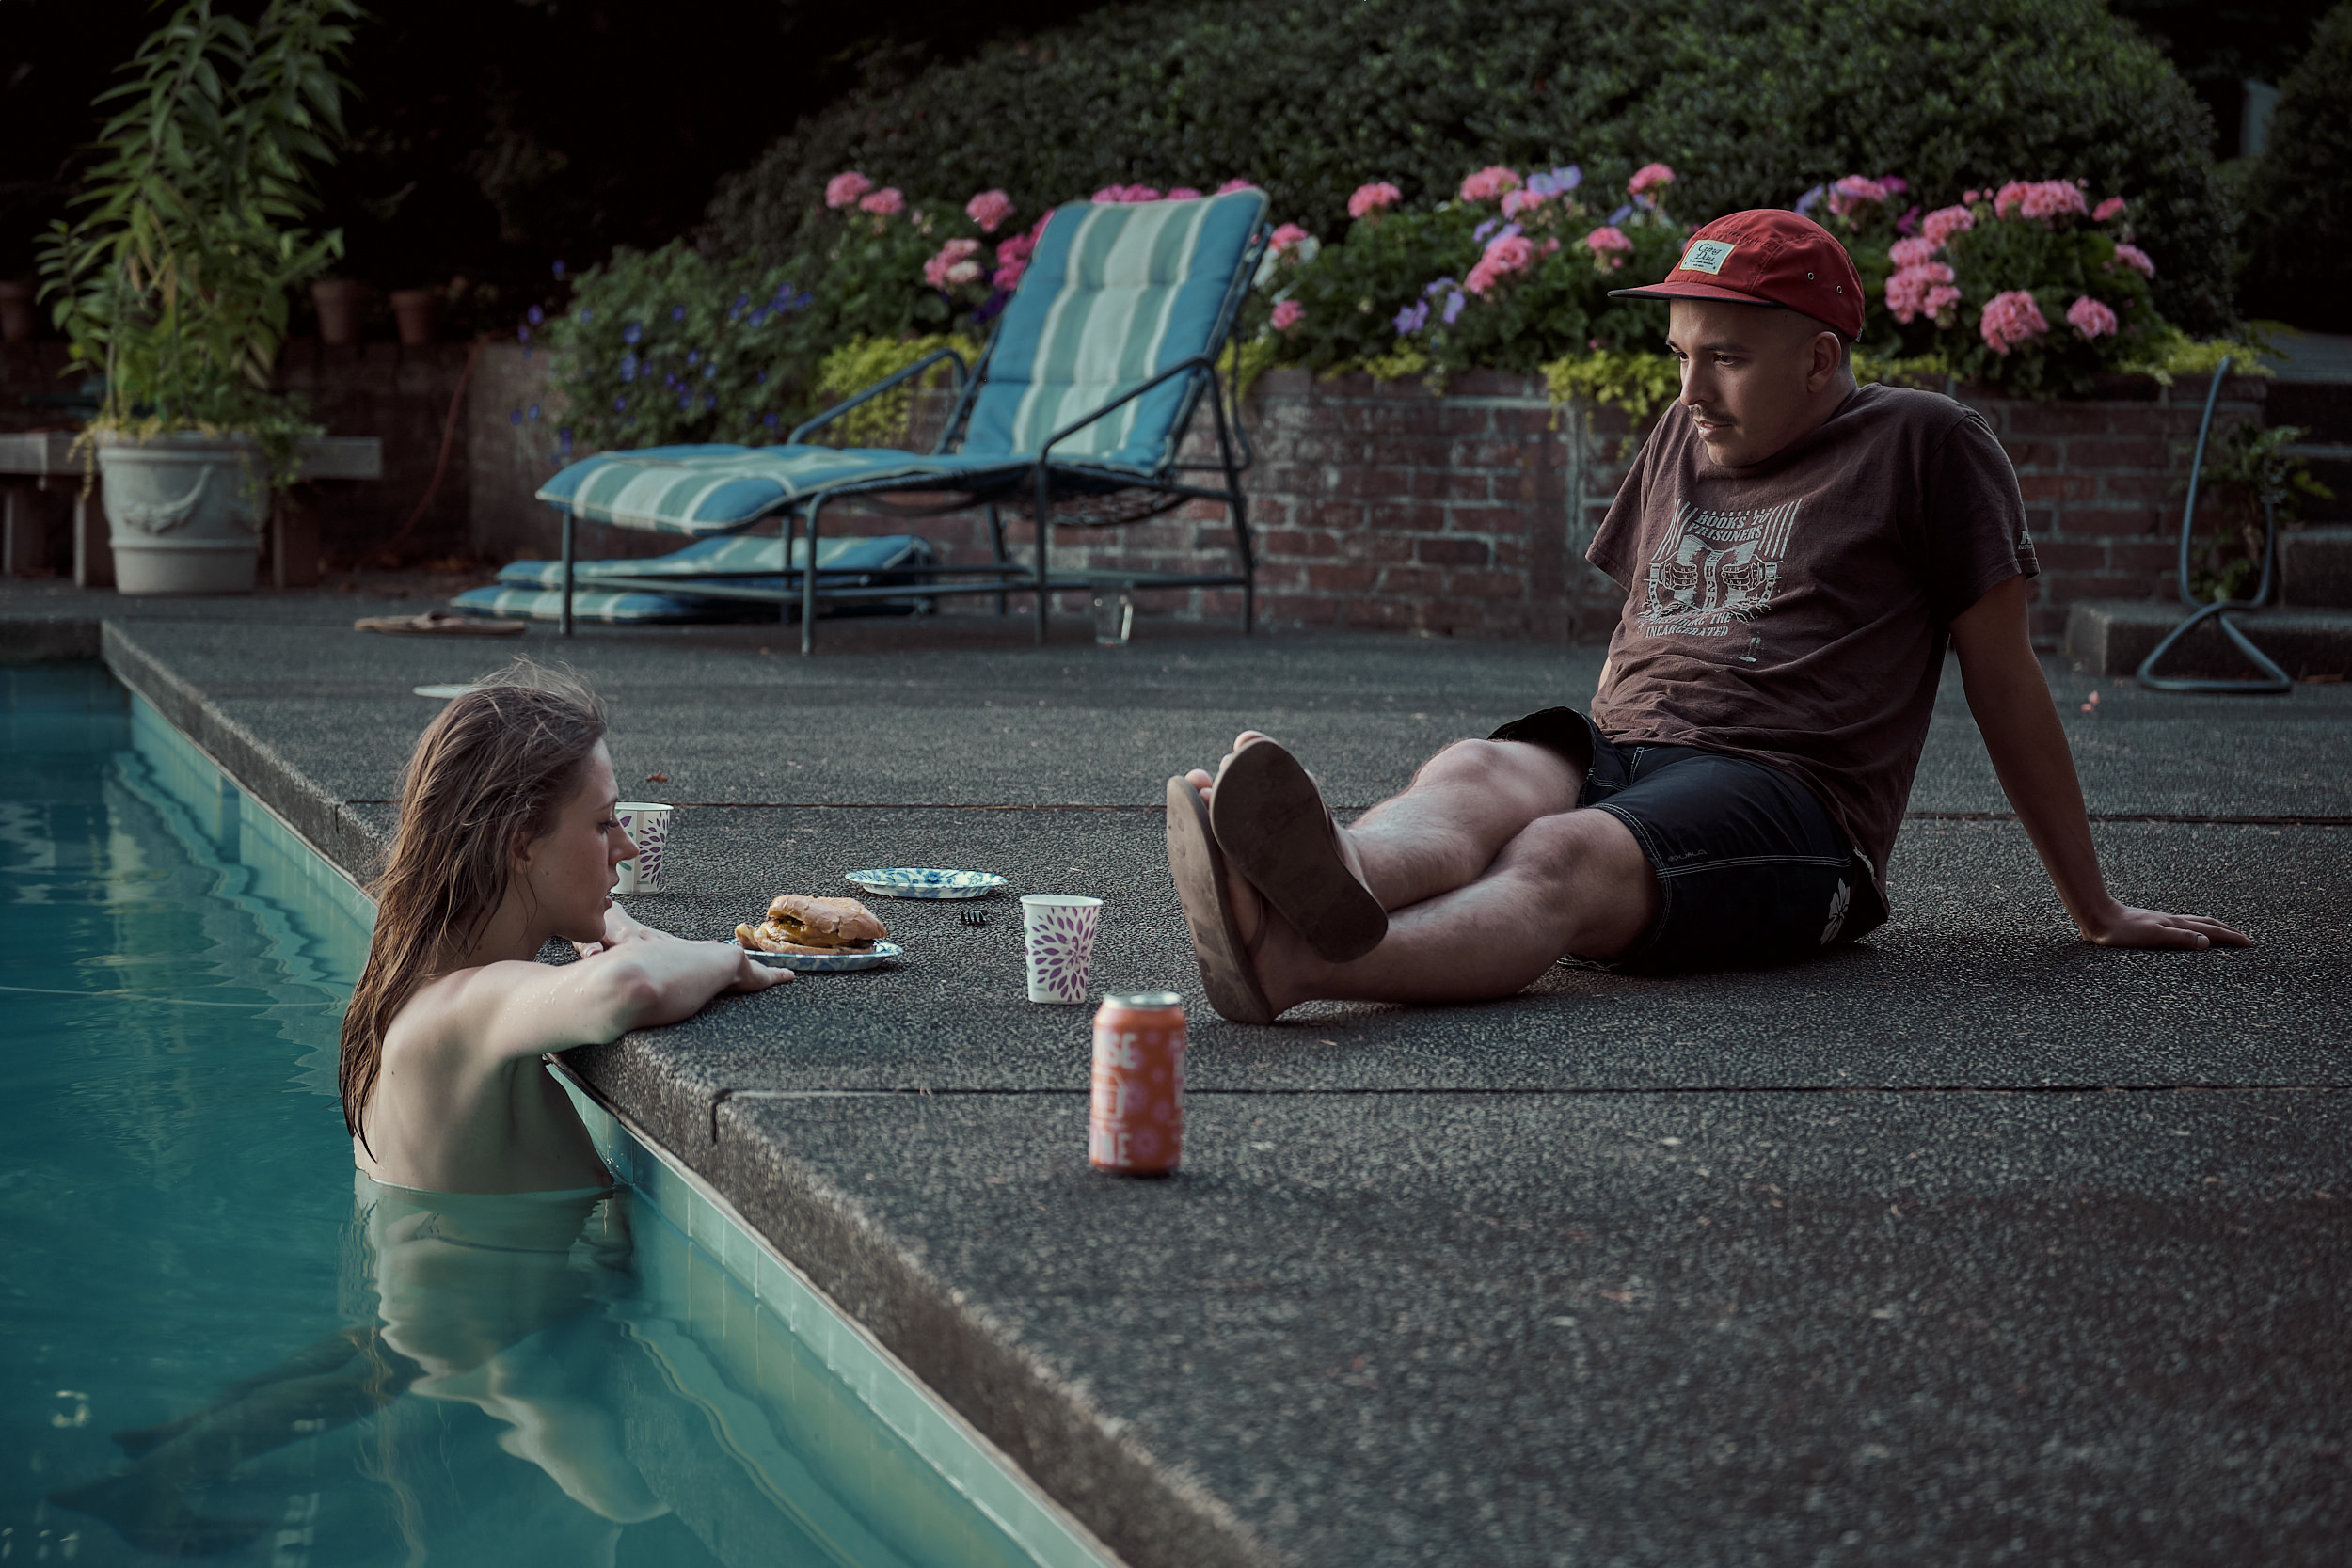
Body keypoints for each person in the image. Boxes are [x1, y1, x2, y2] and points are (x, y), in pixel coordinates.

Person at [1167, 209, 2251, 1025]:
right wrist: (1591, 750)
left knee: (1556, 853)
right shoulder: (1685, 432)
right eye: (1680, 355)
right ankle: (1331, 870)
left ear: (1820, 359)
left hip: (1789, 798)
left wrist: (2094, 905)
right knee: (1478, 770)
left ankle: (1298, 966)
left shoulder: (1926, 445)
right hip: (1636, 746)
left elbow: (2005, 678)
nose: (1691, 389)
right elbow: (1640, 619)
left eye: (1725, 359)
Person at [52, 660, 785, 1554]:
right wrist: (729, 958)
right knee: (630, 1500)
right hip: (511, 1349)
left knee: (386, 1354)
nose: (625, 851)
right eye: (601, 825)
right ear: (520, 841)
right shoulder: (461, 1008)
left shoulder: (414, 980)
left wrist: (618, 930)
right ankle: (166, 1476)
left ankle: (173, 1462)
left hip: (454, 1315)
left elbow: (600, 973)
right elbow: (624, 989)